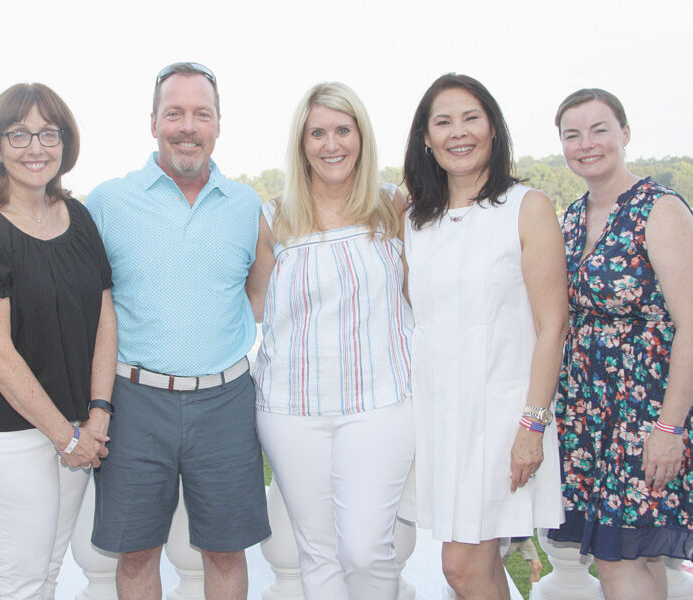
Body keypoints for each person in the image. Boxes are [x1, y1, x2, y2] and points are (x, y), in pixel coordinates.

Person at [85, 61, 270, 600]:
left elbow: (258, 296)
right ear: (153, 123)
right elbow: (90, 308)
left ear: (217, 125)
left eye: (201, 114)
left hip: (226, 401)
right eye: (175, 113)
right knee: (137, 552)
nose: (187, 126)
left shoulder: (245, 206)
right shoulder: (107, 203)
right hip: (135, 401)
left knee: (226, 551)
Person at [0, 83, 117, 600]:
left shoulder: (77, 218)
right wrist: (66, 436)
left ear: (65, 143)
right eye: (19, 134)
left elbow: (104, 316)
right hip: (5, 435)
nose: (35, 147)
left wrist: (98, 412)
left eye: (48, 133)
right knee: (20, 584)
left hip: (77, 427)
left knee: (48, 575)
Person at [402, 73, 568, 600]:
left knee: (461, 567)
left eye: (471, 117)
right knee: (477, 567)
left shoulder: (527, 206)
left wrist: (532, 425)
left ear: (493, 128)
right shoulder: (413, 220)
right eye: (443, 121)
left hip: (501, 419)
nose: (459, 132)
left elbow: (552, 326)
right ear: (425, 138)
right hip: (437, 418)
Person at [247, 82, 414, 599]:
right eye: (317, 132)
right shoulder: (273, 218)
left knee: (365, 551)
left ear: (361, 136)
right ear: (302, 144)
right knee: (316, 554)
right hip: (292, 408)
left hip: (381, 402)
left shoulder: (394, 207)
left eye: (342, 130)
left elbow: (424, 297)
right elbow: (255, 307)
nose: (330, 144)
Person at [547, 88, 693, 600]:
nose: (586, 144)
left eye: (599, 129)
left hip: (645, 413)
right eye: (572, 134)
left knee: (615, 560)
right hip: (589, 412)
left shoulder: (661, 210)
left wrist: (669, 427)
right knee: (636, 557)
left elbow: (691, 325)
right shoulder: (569, 217)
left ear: (625, 134)